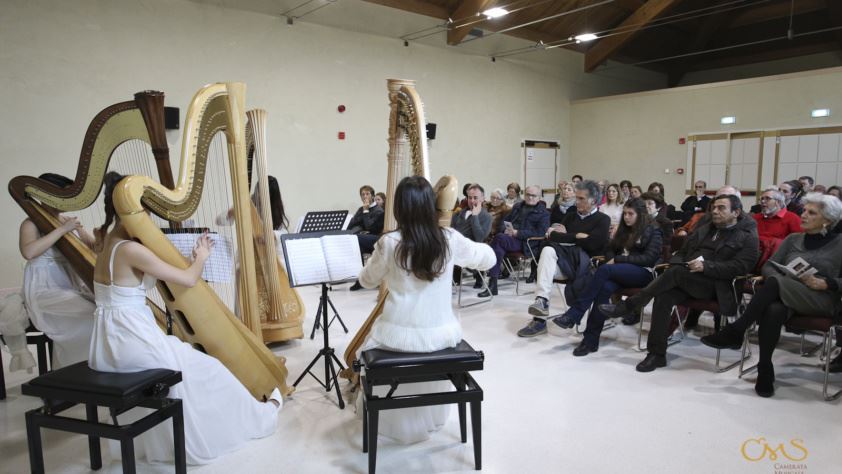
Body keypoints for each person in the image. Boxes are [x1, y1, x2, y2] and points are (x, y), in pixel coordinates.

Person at [88, 172, 281, 464]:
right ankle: (256, 417)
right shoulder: (131, 249)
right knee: (209, 369)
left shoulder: (107, 242)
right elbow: (189, 279)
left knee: (192, 363)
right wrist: (201, 255)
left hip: (108, 342)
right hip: (132, 342)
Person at [355, 176, 495, 443]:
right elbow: (489, 259)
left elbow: (366, 280)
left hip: (397, 337)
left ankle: (389, 414)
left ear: (399, 209)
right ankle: (429, 417)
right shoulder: (449, 238)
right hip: (441, 335)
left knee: (365, 350)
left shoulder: (389, 242)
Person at [701, 193, 842, 397]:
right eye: (804, 210)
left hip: (821, 298)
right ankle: (764, 367)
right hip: (788, 293)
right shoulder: (794, 239)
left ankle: (737, 329)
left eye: (811, 212)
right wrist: (784, 277)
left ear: (828, 219)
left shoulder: (839, 244)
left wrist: (827, 282)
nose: (803, 215)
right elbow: (768, 266)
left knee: (775, 283)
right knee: (774, 308)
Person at [600, 195, 759, 372]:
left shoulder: (747, 236)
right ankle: (656, 354)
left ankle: (631, 304)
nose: (714, 211)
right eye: (713, 207)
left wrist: (707, 267)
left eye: (721, 208)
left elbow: (741, 266)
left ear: (736, 212)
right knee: (664, 295)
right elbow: (680, 253)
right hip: (688, 278)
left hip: (718, 286)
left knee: (674, 273)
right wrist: (682, 264)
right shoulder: (704, 229)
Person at [561, 198, 662, 354]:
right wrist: (612, 259)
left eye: (631, 214)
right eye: (625, 213)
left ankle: (575, 312)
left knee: (604, 271)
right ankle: (590, 340)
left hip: (643, 273)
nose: (627, 217)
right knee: (604, 289)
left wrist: (618, 259)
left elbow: (649, 259)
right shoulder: (623, 229)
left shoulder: (653, 230)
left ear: (640, 214)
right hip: (619, 272)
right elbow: (609, 249)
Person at [19, 173, 97, 369]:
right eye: (64, 196)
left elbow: (94, 248)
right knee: (93, 317)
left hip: (69, 287)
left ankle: (86, 369)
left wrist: (81, 231)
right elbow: (29, 252)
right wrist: (63, 230)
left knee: (105, 310)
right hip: (44, 290)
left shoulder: (65, 219)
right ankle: (74, 372)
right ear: (48, 195)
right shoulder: (30, 223)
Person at [517, 180, 610, 337]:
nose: (577, 201)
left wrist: (566, 236)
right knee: (547, 250)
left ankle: (540, 315)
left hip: (585, 266)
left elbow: (594, 244)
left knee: (547, 258)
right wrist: (576, 236)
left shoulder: (603, 219)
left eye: (581, 199)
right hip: (565, 264)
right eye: (577, 197)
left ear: (593, 201)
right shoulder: (571, 215)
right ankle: (541, 306)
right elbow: (551, 237)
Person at [481, 185, 549, 297]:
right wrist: (506, 230)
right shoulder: (518, 206)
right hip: (510, 238)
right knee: (499, 246)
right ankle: (493, 284)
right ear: (524, 195)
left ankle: (492, 283)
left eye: (533, 195)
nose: (530, 197)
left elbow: (540, 233)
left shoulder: (544, 213)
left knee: (498, 240)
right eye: (528, 195)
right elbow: (504, 221)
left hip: (526, 243)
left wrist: (517, 233)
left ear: (539, 197)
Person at [451, 184, 492, 288]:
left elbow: (480, 238)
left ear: (482, 198)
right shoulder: (458, 214)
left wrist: (475, 216)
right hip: (457, 246)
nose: (472, 201)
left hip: (474, 248)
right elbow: (452, 232)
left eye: (475, 198)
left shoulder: (486, 216)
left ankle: (479, 275)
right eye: (470, 197)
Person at [348, 185, 385, 290]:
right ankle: (360, 279)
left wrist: (365, 211)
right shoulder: (361, 209)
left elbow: (370, 227)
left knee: (355, 239)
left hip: (375, 238)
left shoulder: (378, 210)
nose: (365, 196)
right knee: (356, 247)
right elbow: (351, 225)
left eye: (367, 194)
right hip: (364, 238)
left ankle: (364, 279)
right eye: (363, 194)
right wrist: (361, 219)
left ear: (372, 196)